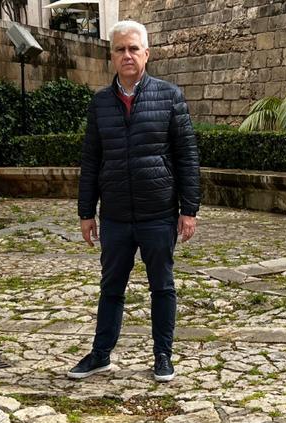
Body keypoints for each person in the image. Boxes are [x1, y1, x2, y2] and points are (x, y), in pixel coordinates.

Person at [69, 19, 200, 382]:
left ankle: (163, 354)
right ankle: (100, 354)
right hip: (115, 216)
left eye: (133, 48)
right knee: (111, 287)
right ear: (111, 56)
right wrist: (86, 212)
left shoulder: (170, 96)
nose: (126, 55)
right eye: (119, 49)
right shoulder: (99, 104)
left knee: (162, 286)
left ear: (146, 53)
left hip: (158, 213)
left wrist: (189, 210)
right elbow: (92, 160)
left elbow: (186, 155)